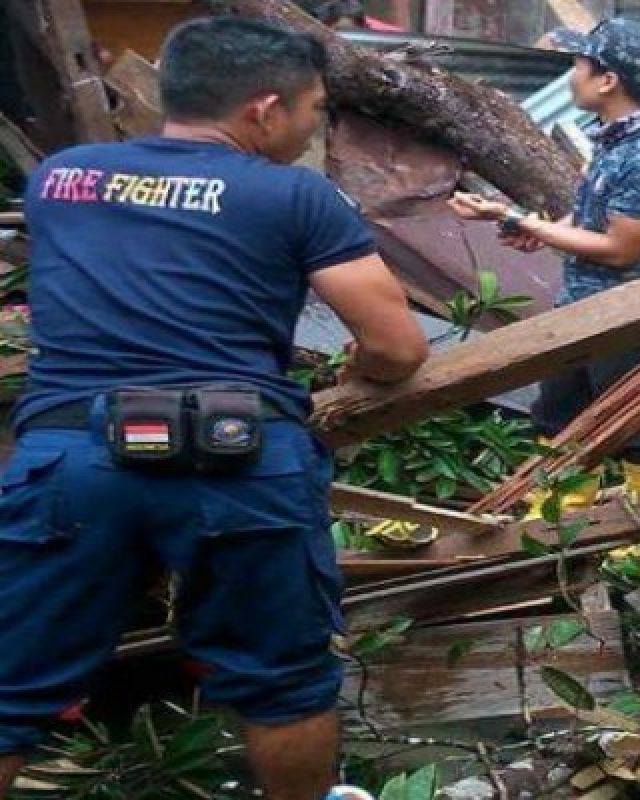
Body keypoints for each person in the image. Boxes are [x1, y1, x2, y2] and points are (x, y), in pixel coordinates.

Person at [0, 17, 428, 800]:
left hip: (73, 455)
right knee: (284, 681)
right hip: (235, 457)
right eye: (313, 109)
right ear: (265, 109)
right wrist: (352, 369)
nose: (312, 127)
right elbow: (397, 348)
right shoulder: (294, 194)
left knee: (8, 688)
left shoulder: (61, 177)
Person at [448, 19, 640, 522]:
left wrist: (517, 219)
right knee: (559, 411)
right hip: (588, 310)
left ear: (608, 80)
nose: (573, 73)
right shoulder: (620, 142)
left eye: (581, 64)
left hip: (636, 316)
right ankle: (557, 514)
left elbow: (618, 249)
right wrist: (545, 228)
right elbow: (598, 215)